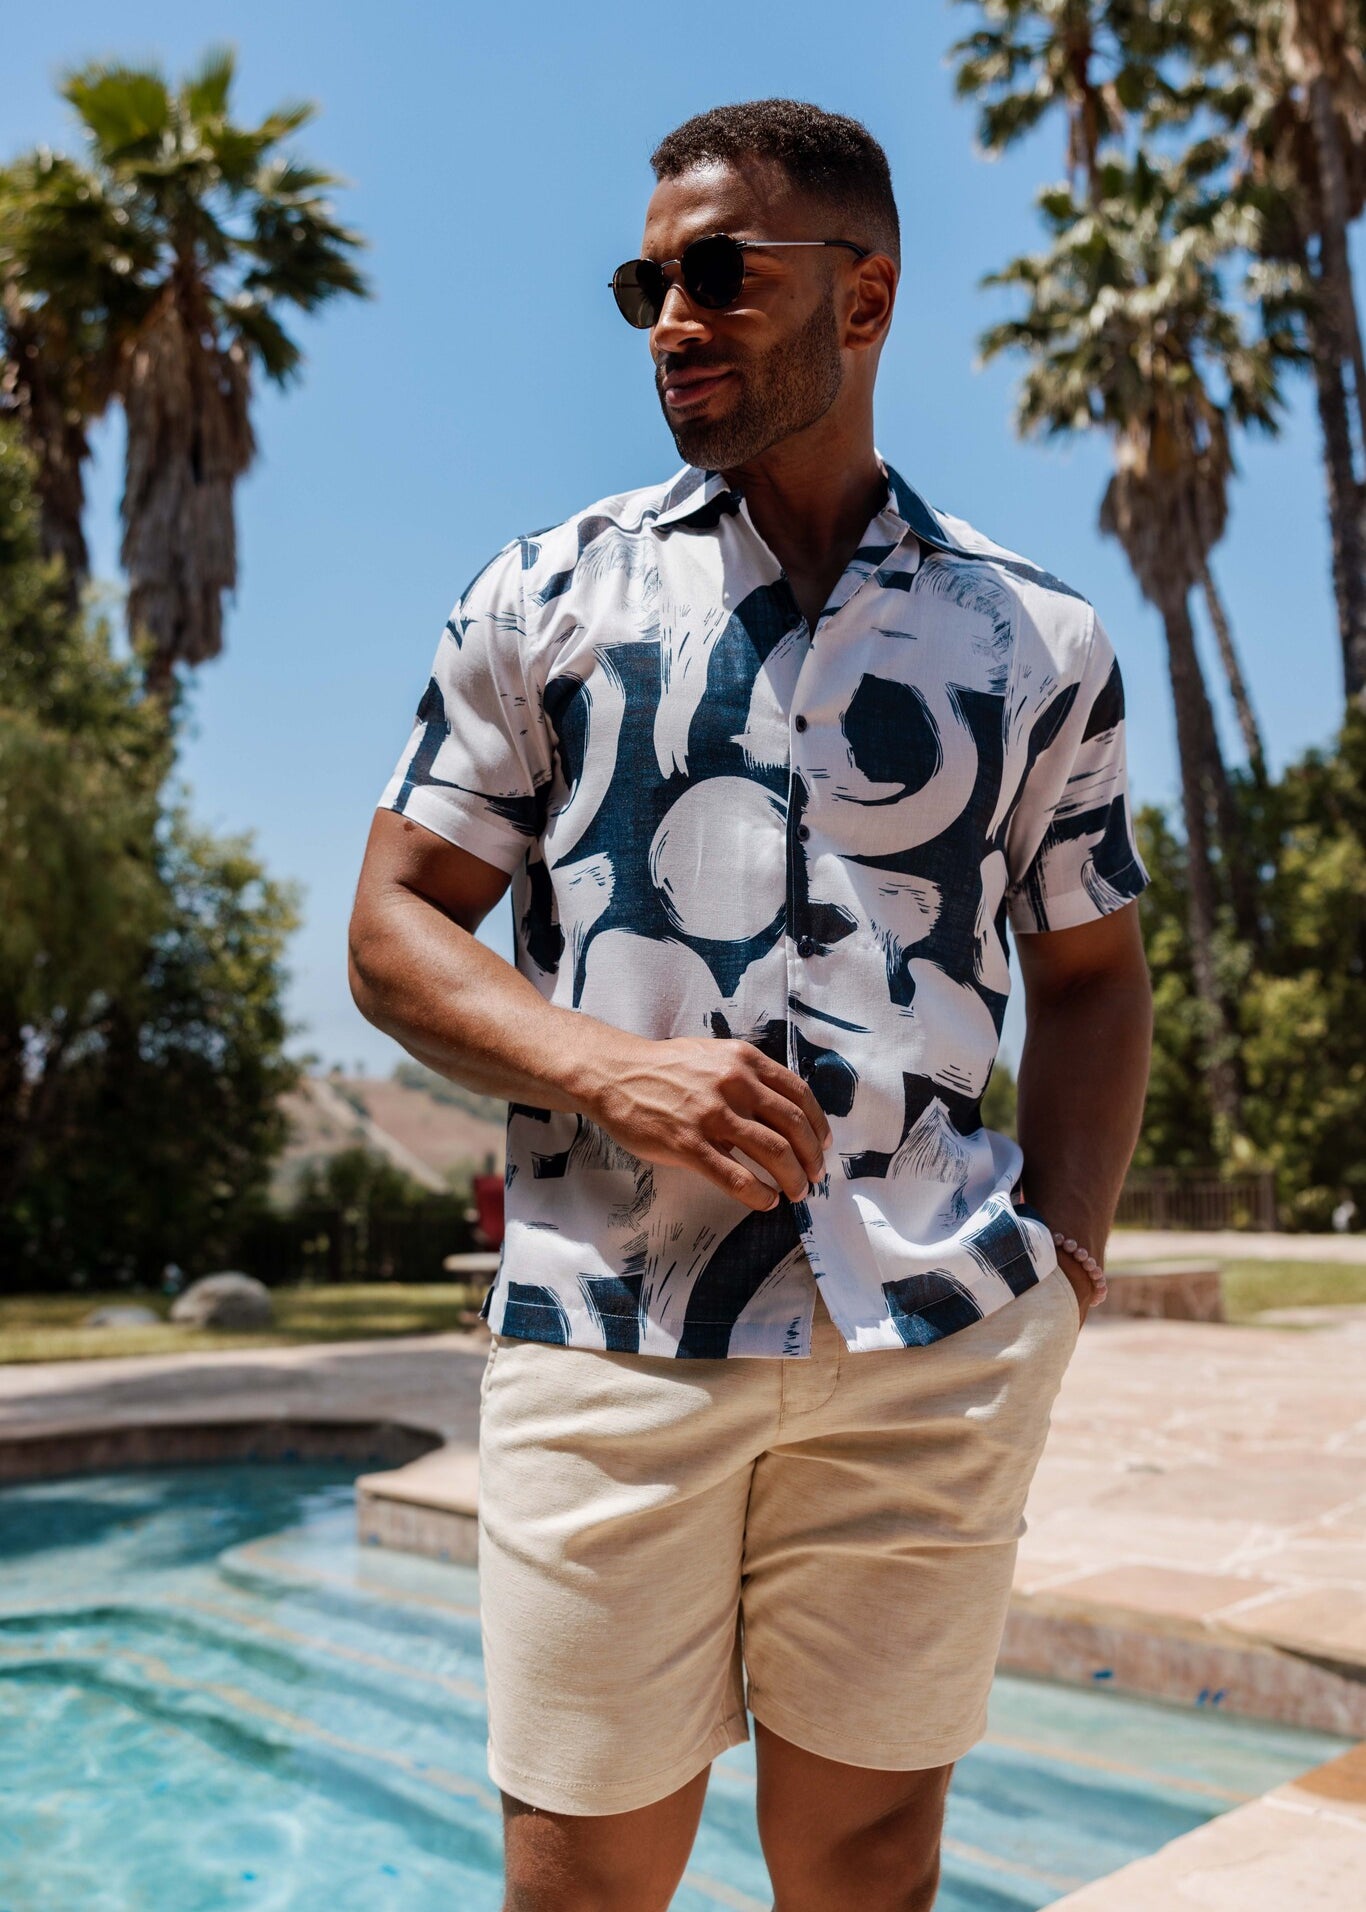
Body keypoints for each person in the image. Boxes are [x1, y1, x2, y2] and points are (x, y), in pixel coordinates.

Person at [349, 98, 1154, 1912]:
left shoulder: (1041, 643)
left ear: (860, 298)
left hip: (929, 1346)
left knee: (871, 1862)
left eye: (720, 272)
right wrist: (612, 1071)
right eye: (646, 282)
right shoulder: (543, 596)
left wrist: (1067, 1259)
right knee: (576, 1875)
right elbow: (393, 928)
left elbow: (1093, 973)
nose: (670, 317)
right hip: (607, 1324)